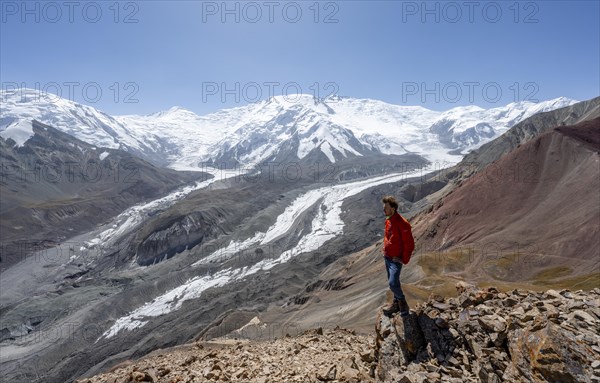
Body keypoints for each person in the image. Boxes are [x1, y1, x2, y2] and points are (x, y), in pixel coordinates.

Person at [381, 196, 411, 317]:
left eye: (386, 208)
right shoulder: (388, 219)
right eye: (383, 208)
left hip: (395, 259)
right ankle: (396, 304)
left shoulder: (402, 223)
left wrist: (403, 259)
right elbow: (388, 237)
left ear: (393, 208)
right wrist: (384, 248)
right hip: (387, 257)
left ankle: (403, 303)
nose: (384, 210)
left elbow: (409, 243)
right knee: (394, 284)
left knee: (393, 283)